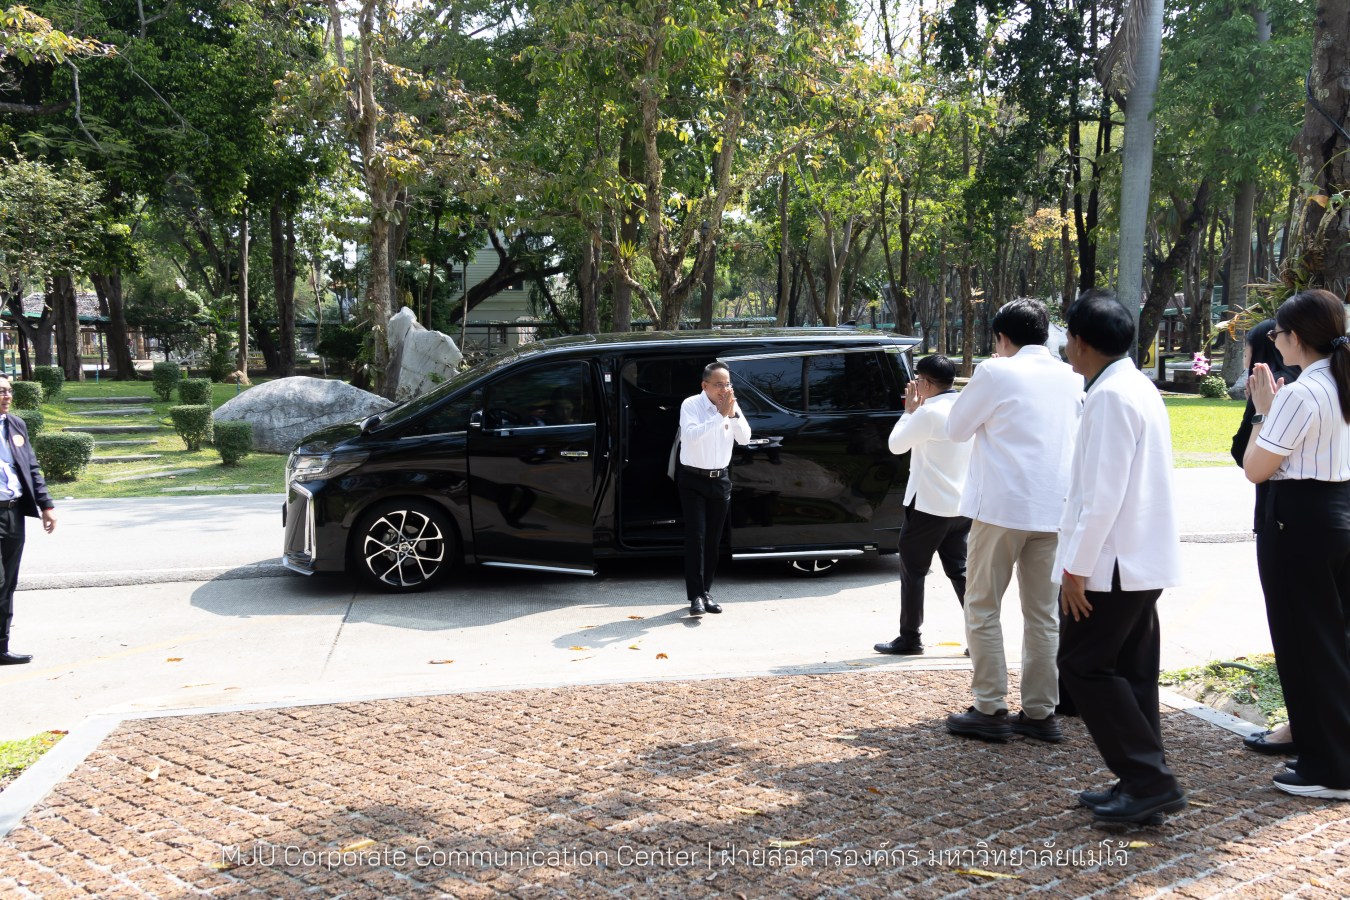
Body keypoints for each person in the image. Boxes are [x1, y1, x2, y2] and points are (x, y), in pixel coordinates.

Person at [1055, 292, 1187, 825]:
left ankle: (1149, 780)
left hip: (1111, 563)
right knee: (1131, 673)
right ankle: (1140, 780)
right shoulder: (1134, 385)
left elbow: (1101, 495)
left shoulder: (1110, 396)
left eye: (1068, 337)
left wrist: (1075, 569)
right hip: (1136, 558)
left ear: (1081, 342)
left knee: (1083, 666)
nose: (1066, 346)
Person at [944, 298, 1082, 743]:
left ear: (1002, 338)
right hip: (1055, 509)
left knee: (982, 605)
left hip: (1003, 507)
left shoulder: (995, 371)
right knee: (1043, 615)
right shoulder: (1072, 376)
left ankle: (990, 705)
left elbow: (956, 429)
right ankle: (1041, 713)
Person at [1243, 288, 1350, 801]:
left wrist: (1263, 409)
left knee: (1305, 643)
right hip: (1338, 516)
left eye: (1279, 333)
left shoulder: (1300, 394)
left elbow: (1255, 468)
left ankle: (1329, 767)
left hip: (1297, 524)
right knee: (1332, 641)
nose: (1275, 341)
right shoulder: (1340, 382)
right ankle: (1328, 751)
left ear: (1298, 338)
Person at [1229, 319, 1300, 756]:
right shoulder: (1331, 383)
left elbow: (1247, 456)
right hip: (1329, 519)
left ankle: (1301, 726)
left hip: (1281, 519)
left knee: (1294, 629)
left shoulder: (1278, 391)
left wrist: (1260, 412)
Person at [874, 354, 973, 655]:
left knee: (913, 572)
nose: (915, 385)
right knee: (960, 571)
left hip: (929, 506)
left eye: (918, 379)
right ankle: (980, 636)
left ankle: (910, 637)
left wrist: (908, 412)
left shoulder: (928, 413)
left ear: (927, 383)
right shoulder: (966, 408)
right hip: (961, 504)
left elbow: (895, 445)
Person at [678, 362, 751, 617]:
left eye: (727, 384)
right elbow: (691, 435)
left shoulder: (731, 406)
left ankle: (706, 591)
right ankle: (694, 597)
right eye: (719, 385)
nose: (724, 389)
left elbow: (745, 438)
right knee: (696, 536)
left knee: (713, 539)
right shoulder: (691, 405)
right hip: (693, 479)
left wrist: (731, 415)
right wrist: (719, 416)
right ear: (705, 385)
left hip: (720, 479)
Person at [0, 376, 58, 665]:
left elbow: (31, 467)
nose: (7, 396)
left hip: (11, 512)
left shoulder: (15, 425)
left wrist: (46, 505)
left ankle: (1, 647)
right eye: (1, 392)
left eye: (8, 391)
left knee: (7, 583)